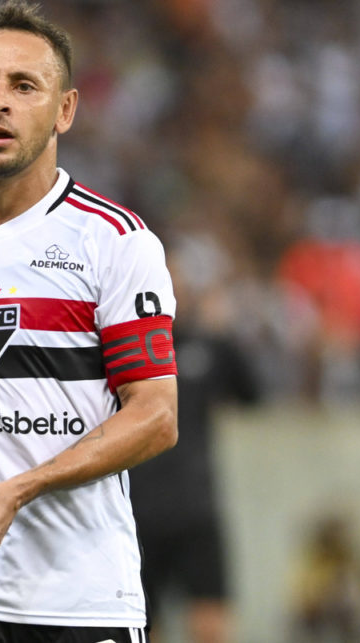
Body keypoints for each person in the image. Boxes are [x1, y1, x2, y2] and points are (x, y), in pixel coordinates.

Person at [0, 0, 179, 643]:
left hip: (77, 599)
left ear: (64, 109)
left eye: (24, 86)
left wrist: (23, 487)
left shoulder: (114, 242)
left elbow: (156, 415)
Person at [128, 253, 260, 643]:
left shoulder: (210, 348)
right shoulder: (125, 349)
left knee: (211, 626)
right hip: (139, 511)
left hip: (195, 509)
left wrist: (225, 331)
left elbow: (252, 394)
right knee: (144, 627)